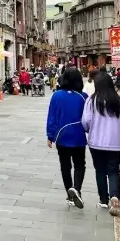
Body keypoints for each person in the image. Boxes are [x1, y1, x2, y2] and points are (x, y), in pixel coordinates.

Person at [82, 72, 120, 216]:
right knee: (113, 170)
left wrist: (88, 130)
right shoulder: (119, 101)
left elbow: (86, 121)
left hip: (96, 143)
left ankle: (103, 200)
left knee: (100, 171)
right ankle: (115, 196)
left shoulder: (91, 101)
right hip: (115, 143)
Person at [46, 67, 89, 209]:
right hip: (78, 137)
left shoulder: (57, 95)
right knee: (79, 165)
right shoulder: (83, 97)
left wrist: (50, 135)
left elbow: (52, 117)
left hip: (62, 136)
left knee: (65, 166)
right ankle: (76, 189)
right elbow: (88, 119)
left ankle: (70, 194)